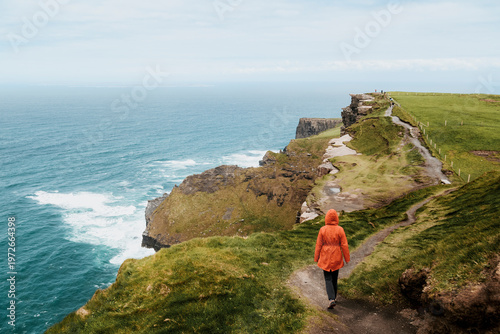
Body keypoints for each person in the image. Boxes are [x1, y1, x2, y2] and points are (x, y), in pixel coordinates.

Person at [314, 209, 350, 309]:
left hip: (325, 256)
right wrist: (346, 258)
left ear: (327, 218)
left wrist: (316, 257)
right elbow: (344, 245)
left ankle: (331, 299)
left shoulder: (323, 229)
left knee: (328, 278)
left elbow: (318, 244)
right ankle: (334, 297)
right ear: (336, 218)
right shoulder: (340, 229)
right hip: (337, 256)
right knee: (334, 277)